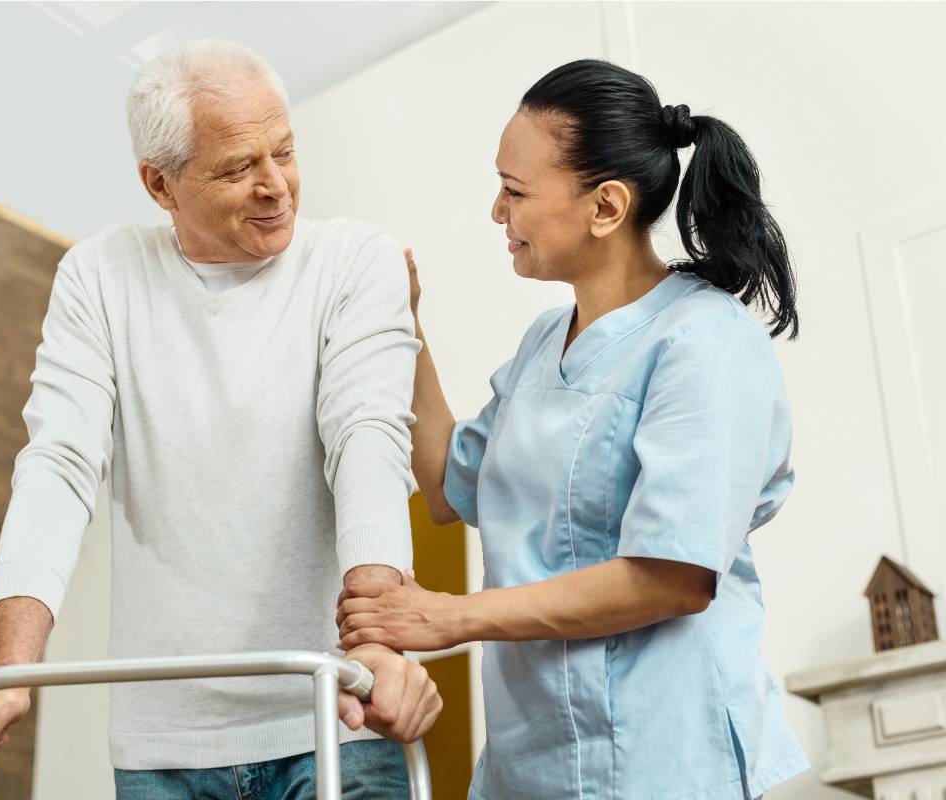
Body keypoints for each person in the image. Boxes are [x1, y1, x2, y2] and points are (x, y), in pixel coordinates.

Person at [0, 40, 440, 800]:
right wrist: (8, 673)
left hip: (334, 719)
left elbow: (367, 441)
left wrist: (379, 650)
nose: (275, 186)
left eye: (285, 152)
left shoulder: (355, 261)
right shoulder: (100, 277)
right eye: (239, 168)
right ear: (160, 185)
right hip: (161, 748)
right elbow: (57, 466)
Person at [337, 59, 807, 799]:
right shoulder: (543, 344)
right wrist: (408, 324)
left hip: (665, 754)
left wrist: (452, 618)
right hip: (534, 761)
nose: (498, 212)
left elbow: (675, 576)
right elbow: (443, 490)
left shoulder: (705, 343)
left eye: (516, 192)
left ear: (606, 206)